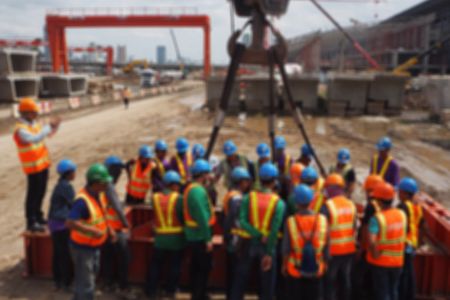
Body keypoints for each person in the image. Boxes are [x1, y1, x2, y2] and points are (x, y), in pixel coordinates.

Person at [231, 163, 285, 300]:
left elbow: (242, 221)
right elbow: (274, 229)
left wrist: (256, 234)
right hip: (267, 246)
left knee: (240, 278)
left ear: (259, 180)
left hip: (248, 243)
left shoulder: (248, 197)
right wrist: (268, 251)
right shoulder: (279, 203)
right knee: (267, 283)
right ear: (274, 181)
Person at [66, 164, 116, 300]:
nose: (107, 185)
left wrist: (109, 229)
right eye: (105, 183)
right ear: (96, 184)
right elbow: (70, 222)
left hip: (94, 246)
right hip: (82, 249)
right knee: (86, 283)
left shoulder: (99, 195)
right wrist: (91, 230)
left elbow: (102, 214)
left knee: (88, 278)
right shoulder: (82, 201)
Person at [13, 97, 61, 231]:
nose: (36, 114)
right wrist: (48, 127)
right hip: (32, 167)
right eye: (34, 112)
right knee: (33, 194)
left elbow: (46, 135)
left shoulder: (34, 124)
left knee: (41, 192)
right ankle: (31, 221)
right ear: (26, 112)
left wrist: (55, 127)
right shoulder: (20, 129)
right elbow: (34, 139)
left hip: (42, 164)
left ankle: (38, 216)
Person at [282, 184, 328, 300]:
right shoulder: (322, 220)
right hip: (316, 269)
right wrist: (325, 263)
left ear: (296, 203)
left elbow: (286, 248)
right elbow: (327, 246)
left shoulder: (291, 221)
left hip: (295, 270)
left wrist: (284, 265)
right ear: (311, 201)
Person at [147, 171, 185, 299]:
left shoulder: (155, 198)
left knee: (156, 265)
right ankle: (171, 290)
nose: (179, 187)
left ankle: (151, 290)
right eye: (177, 185)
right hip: (176, 240)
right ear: (173, 185)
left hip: (160, 240)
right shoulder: (179, 199)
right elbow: (182, 217)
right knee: (175, 266)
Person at [366, 181, 407, 300]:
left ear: (378, 200)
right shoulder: (402, 214)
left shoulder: (377, 218)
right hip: (398, 261)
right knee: (393, 291)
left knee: (382, 293)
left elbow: (372, 240)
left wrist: (374, 254)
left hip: (381, 263)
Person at [183, 159, 216, 300]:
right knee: (202, 268)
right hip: (199, 237)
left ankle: (198, 293)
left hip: (195, 236)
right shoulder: (197, 192)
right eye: (208, 173)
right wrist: (208, 239)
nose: (209, 176)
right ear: (202, 175)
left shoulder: (193, 188)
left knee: (197, 267)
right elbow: (202, 218)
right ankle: (198, 295)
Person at [321, 174, 357, 300]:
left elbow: (323, 230)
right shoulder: (351, 204)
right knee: (345, 280)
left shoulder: (327, 206)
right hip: (348, 249)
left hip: (333, 251)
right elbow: (354, 227)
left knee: (330, 282)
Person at [102, 156, 133, 296]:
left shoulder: (99, 183)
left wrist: (127, 166)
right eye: (118, 170)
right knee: (124, 257)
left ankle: (108, 283)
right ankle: (123, 286)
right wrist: (126, 224)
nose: (120, 173)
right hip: (114, 229)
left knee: (108, 257)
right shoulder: (108, 185)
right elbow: (117, 209)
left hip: (104, 228)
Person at [222, 167, 252, 299]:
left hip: (231, 239)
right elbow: (233, 220)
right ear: (241, 182)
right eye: (246, 181)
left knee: (232, 272)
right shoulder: (237, 199)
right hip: (237, 240)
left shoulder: (229, 195)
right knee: (239, 274)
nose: (248, 184)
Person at [354, 174, 385, 300]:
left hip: (369, 246)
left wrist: (361, 247)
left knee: (361, 276)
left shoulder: (371, 205)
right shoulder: (382, 202)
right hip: (380, 244)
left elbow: (367, 227)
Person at [47, 159, 76, 291]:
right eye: (74, 172)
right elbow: (73, 204)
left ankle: (57, 281)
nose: (75, 174)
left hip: (53, 224)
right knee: (65, 254)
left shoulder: (59, 185)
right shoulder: (67, 187)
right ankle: (66, 282)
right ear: (69, 173)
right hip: (62, 224)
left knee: (58, 253)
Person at [397, 177, 426, 300]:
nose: (398, 194)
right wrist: (419, 243)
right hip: (412, 244)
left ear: (404, 193)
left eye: (400, 192)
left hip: (404, 245)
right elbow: (423, 226)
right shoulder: (417, 207)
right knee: (409, 273)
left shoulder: (402, 207)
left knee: (404, 275)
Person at [273, 136, 293, 200]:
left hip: (286, 188)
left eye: (280, 149)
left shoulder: (289, 159)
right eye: (278, 149)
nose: (279, 151)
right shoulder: (272, 159)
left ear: (284, 148)